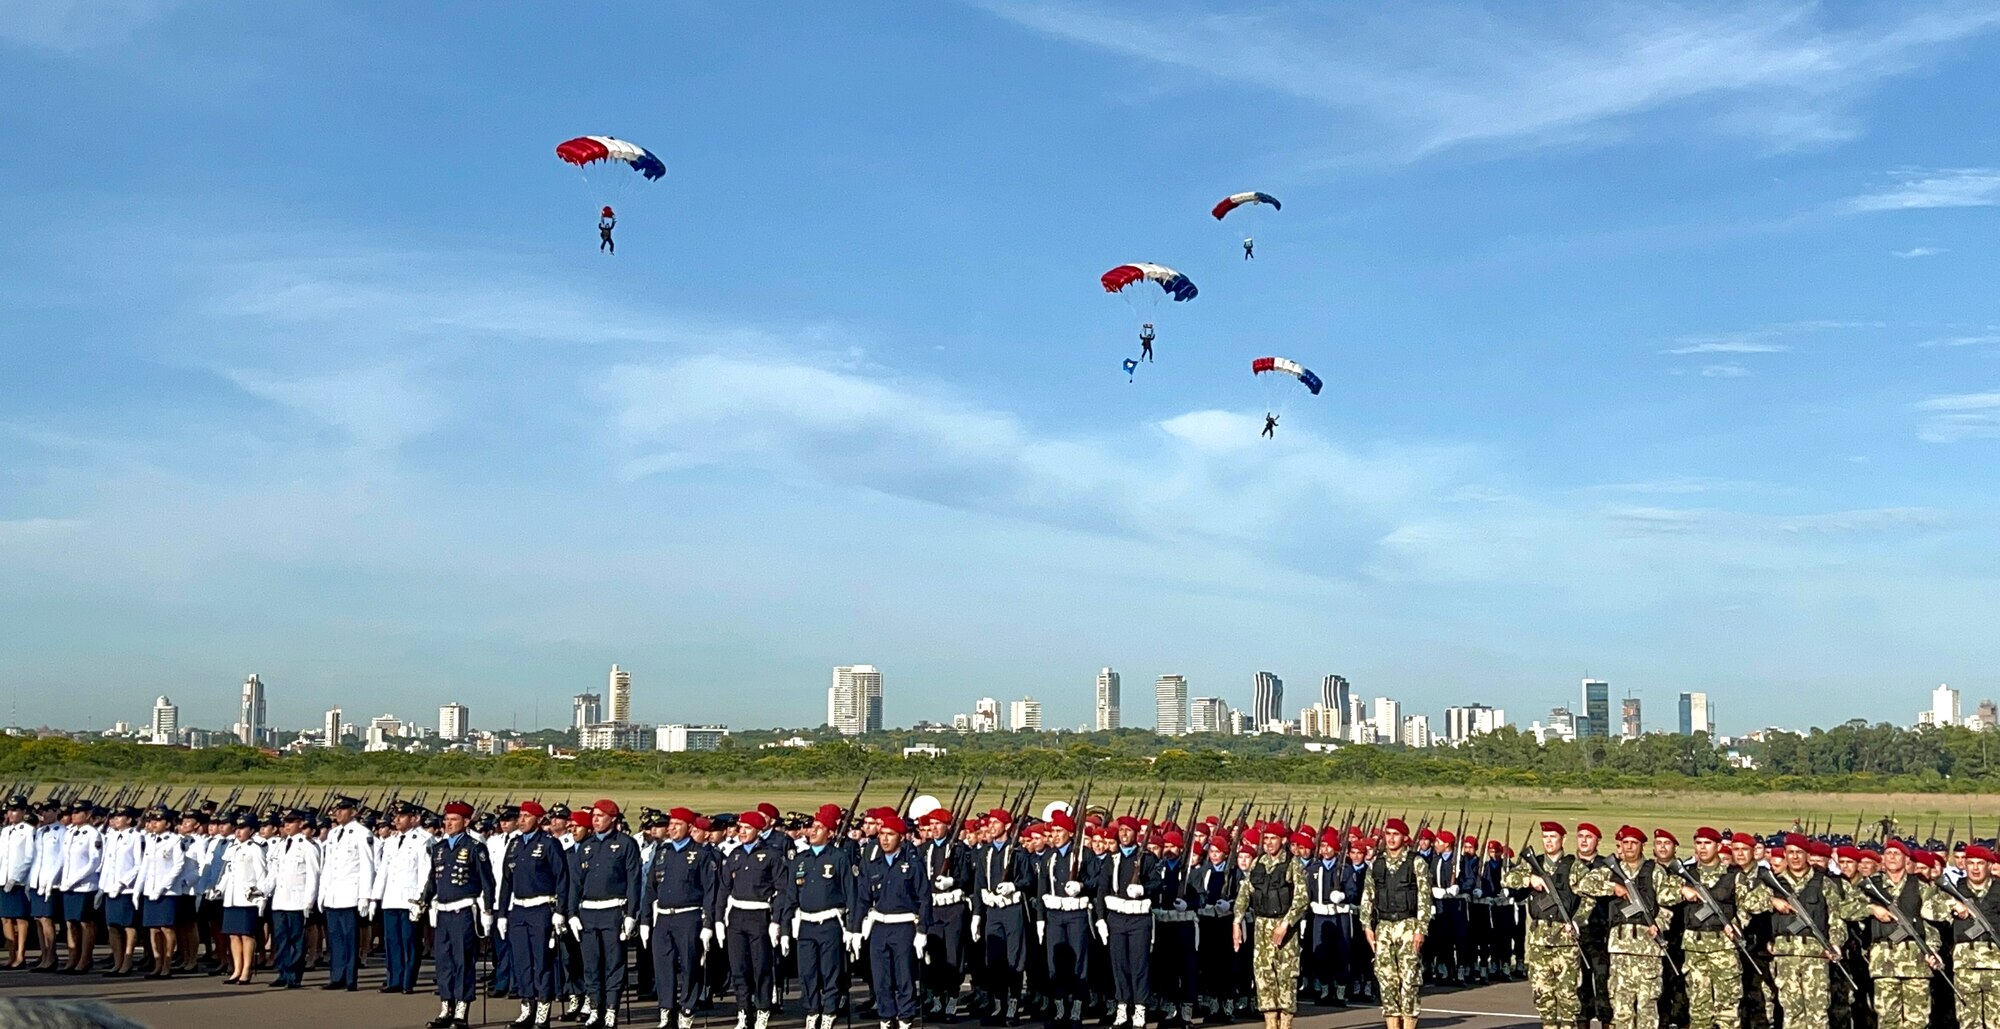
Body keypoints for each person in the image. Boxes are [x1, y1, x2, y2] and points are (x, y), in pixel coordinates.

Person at [569, 799, 643, 1028]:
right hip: (589, 912)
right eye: (594, 816)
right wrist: (571, 912)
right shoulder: (587, 845)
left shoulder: (625, 844)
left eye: (601, 816)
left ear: (613, 818)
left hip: (613, 910)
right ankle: (595, 1008)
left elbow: (633, 880)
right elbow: (576, 883)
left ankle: (611, 1008)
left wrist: (632, 913)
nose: (596, 820)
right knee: (591, 965)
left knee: (614, 964)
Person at [499, 800, 571, 1027]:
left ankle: (543, 1008)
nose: (521, 820)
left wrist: (560, 911)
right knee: (522, 961)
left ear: (540, 820)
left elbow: (562, 878)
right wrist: (501, 913)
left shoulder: (549, 844)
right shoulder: (514, 844)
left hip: (541, 908)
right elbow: (506, 882)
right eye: (520, 816)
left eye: (527, 816)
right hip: (519, 909)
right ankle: (526, 1005)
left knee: (541, 961)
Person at [425, 800, 496, 1029]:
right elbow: (432, 881)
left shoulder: (475, 847)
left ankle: (462, 1009)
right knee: (443, 962)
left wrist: (487, 910)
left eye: (454, 820)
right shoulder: (440, 848)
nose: (448, 824)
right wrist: (423, 901)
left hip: (464, 910)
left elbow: (488, 882)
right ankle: (446, 1007)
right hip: (443, 912)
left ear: (466, 822)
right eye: (446, 820)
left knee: (463, 961)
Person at [857, 812, 930, 1029]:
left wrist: (922, 930)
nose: (884, 839)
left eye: (890, 834)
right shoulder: (873, 865)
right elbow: (863, 898)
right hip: (879, 926)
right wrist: (854, 928)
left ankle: (906, 1018)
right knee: (881, 977)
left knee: (904, 976)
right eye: (882, 834)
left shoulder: (912, 865)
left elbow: (925, 898)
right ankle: (886, 1017)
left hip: (904, 926)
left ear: (901, 837)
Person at [720, 809, 788, 1029]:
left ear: (758, 830)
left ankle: (763, 1009)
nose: (742, 832)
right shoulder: (735, 854)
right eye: (740, 828)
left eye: (747, 828)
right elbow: (724, 888)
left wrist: (776, 920)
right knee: (738, 967)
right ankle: (743, 1010)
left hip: (759, 915)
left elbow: (782, 890)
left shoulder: (771, 855)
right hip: (737, 915)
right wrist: (719, 918)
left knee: (761, 967)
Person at [781, 807, 848, 1029]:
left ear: (829, 832)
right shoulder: (801, 859)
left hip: (829, 922)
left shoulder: (838, 858)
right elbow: (790, 896)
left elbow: (851, 894)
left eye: (819, 828)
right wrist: (784, 929)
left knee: (830, 969)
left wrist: (853, 928)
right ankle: (812, 1009)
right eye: (812, 828)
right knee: (807, 971)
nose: (812, 832)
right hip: (806, 923)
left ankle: (829, 1010)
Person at [1362, 818, 1432, 1029]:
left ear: (1404, 837)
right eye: (1388, 834)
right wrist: (1367, 925)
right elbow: (1368, 895)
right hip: (1383, 926)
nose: (1391, 838)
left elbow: (1424, 898)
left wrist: (1421, 929)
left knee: (1409, 980)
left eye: (1396, 834)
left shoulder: (1416, 862)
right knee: (1386, 979)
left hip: (1408, 925)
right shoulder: (1377, 863)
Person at [1237, 824, 1307, 1029]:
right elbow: (1245, 893)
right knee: (1263, 976)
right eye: (1265, 838)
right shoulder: (1258, 863)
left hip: (1285, 927)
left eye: (1273, 838)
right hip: (1261, 926)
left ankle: (1285, 1025)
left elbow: (1301, 899)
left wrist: (1285, 923)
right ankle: (1270, 1024)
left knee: (1286, 977)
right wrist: (1236, 920)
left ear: (1283, 840)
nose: (1268, 843)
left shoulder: (1293, 864)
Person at [1096, 817, 1161, 1029]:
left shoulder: (1147, 858)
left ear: (1136, 834)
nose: (1124, 834)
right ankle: (1122, 1007)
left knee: (1139, 964)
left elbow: (1157, 883)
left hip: (1138, 919)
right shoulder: (1112, 858)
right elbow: (1102, 889)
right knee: (1119, 965)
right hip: (1116, 918)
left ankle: (1140, 1008)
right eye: (1121, 830)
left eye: (1128, 831)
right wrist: (1100, 919)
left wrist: (1144, 890)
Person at [319, 796, 375, 992]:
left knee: (350, 938)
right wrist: (322, 892)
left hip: (351, 894)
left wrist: (364, 896)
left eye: (343, 809)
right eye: (337, 809)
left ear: (353, 812)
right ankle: (337, 976)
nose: (338, 813)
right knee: (335, 938)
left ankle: (350, 978)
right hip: (333, 894)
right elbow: (328, 866)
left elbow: (368, 867)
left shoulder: (362, 833)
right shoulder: (333, 834)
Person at [376, 802, 431, 996]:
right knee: (392, 941)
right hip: (391, 897)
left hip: (409, 899)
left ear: (414, 818)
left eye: (402, 816)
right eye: (395, 816)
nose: (397, 820)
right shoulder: (391, 840)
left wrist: (419, 900)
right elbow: (384, 870)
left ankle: (408, 981)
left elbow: (425, 872)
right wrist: (376, 896)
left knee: (409, 941)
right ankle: (394, 979)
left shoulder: (423, 840)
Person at [262, 809, 320, 989]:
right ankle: (283, 972)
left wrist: (309, 901)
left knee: (296, 939)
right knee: (281, 938)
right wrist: (263, 890)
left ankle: (294, 975)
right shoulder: (280, 845)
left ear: (301, 823)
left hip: (297, 900)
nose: (287, 825)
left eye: (292, 821)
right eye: (285, 822)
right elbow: (274, 872)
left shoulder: (308, 846)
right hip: (280, 899)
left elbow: (313, 875)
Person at [216, 811, 267, 985]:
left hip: (247, 898)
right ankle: (236, 969)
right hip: (231, 897)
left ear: (252, 830)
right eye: (237, 828)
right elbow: (228, 873)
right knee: (233, 935)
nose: (238, 832)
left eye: (243, 828)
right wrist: (219, 889)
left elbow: (262, 875)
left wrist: (260, 897)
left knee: (246, 935)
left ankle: (246, 970)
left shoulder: (255, 849)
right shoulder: (233, 848)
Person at [0, 796, 34, 969]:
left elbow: (28, 857)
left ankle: (21, 955)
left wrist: (15, 877)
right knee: (5, 918)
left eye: (15, 810)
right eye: (9, 810)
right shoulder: (5, 831)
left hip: (19, 881)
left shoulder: (28, 831)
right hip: (2, 879)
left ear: (23, 812)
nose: (11, 814)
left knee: (20, 919)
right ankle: (11, 954)